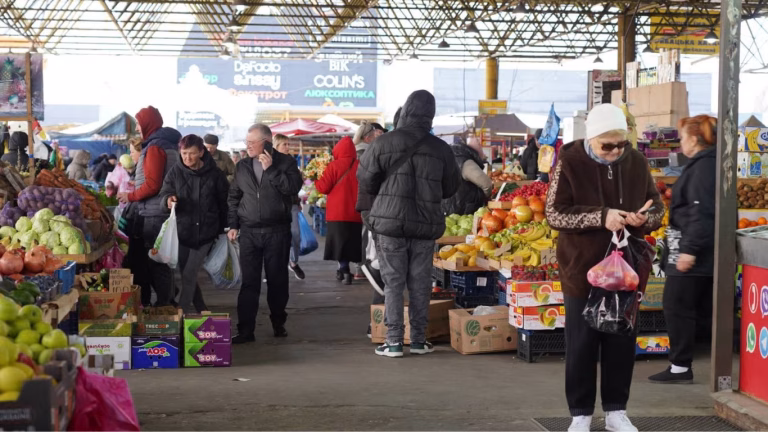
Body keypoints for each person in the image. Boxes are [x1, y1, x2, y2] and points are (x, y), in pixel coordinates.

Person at [545, 103, 663, 432]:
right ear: (591, 138)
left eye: (620, 144)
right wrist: (602, 216)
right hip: (581, 271)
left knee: (621, 342)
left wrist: (645, 219)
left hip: (625, 272)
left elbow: (658, 206)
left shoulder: (636, 162)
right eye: (606, 145)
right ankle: (580, 414)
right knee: (582, 344)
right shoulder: (569, 162)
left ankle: (616, 412)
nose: (614, 152)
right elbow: (554, 214)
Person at [357, 90, 460, 358]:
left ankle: (392, 342)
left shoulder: (383, 143)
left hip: (390, 225)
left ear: (406, 111)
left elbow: (365, 180)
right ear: (431, 115)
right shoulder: (441, 149)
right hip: (425, 225)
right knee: (420, 282)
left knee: (393, 283)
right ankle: (417, 340)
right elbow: (450, 188)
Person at [648, 115, 717, 385]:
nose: (680, 144)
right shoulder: (704, 165)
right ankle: (680, 364)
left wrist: (689, 251)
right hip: (691, 250)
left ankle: (680, 367)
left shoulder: (703, 168)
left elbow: (701, 212)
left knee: (677, 306)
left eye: (682, 138)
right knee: (684, 307)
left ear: (694, 139)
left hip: (693, 253)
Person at [227, 123, 303, 343]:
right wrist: (233, 225)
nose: (247, 146)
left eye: (252, 142)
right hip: (249, 232)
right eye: (247, 142)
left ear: (266, 142)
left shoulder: (286, 162)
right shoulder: (242, 166)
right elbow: (234, 198)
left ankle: (278, 321)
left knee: (277, 280)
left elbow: (292, 188)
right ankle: (245, 330)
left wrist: (272, 170)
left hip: (277, 231)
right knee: (249, 282)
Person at [118, 106, 181, 307]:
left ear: (148, 123)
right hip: (161, 209)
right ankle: (167, 303)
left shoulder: (155, 147)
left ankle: (165, 306)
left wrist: (131, 195)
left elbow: (153, 184)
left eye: (138, 123)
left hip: (155, 212)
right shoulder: (168, 145)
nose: (137, 128)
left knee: (157, 262)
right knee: (161, 261)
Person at [159, 134, 229, 314]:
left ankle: (180, 313)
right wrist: (168, 200)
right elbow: (164, 193)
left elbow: (225, 203)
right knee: (186, 274)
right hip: (182, 231)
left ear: (201, 152)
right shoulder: (175, 171)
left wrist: (226, 228)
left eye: (191, 153)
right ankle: (201, 308)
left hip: (206, 231)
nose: (187, 158)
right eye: (184, 153)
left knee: (189, 273)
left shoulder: (215, 174)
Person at [316, 136, 363, 285]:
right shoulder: (360, 165)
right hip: (356, 213)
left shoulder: (333, 166)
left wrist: (317, 179)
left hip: (337, 213)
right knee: (351, 243)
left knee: (338, 244)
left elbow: (323, 188)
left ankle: (344, 269)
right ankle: (347, 270)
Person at [352, 120, 386, 281]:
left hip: (357, 200)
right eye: (375, 136)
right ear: (367, 138)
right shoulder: (368, 154)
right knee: (371, 237)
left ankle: (361, 266)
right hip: (369, 200)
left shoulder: (352, 152)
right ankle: (367, 268)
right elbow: (370, 180)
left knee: (362, 235)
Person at [273, 134, 305, 280]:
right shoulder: (270, 162)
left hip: (291, 204)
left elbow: (295, 185)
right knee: (276, 238)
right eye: (284, 144)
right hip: (275, 205)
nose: (287, 147)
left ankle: (293, 261)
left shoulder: (292, 161)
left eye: (288, 144)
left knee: (295, 235)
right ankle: (275, 266)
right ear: (276, 146)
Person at [442, 132, 492, 215]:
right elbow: (486, 183)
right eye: (479, 144)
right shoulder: (464, 159)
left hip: (447, 206)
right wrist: (485, 197)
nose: (481, 147)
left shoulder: (451, 155)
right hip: (462, 208)